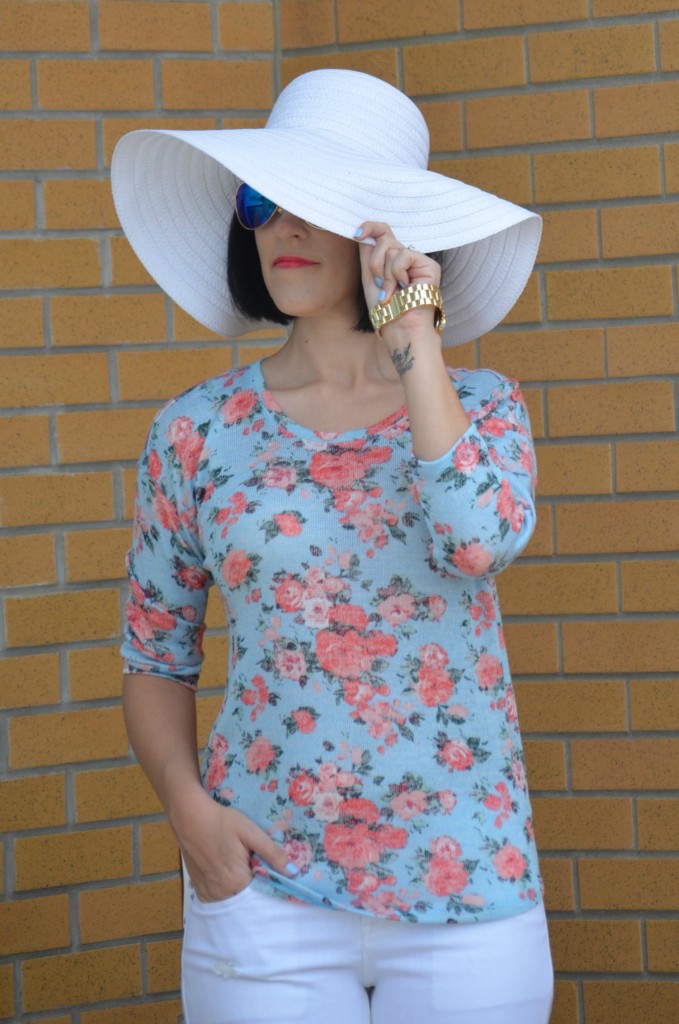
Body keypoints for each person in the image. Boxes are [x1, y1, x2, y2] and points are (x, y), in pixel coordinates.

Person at [112, 69, 553, 1024]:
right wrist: (193, 822)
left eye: (314, 206)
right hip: (262, 889)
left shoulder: (483, 408)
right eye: (262, 204)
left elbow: (478, 543)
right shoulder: (195, 430)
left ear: (386, 232)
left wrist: (416, 344)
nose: (280, 229)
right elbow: (154, 657)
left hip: (465, 885)